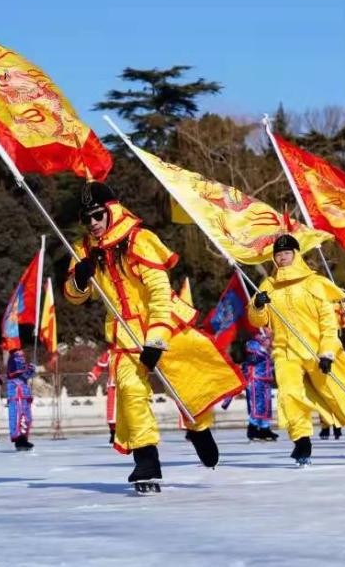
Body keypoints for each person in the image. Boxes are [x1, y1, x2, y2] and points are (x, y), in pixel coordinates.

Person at [65, 182, 245, 490]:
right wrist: (80, 280)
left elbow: (160, 293)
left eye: (97, 215)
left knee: (188, 385)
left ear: (111, 210)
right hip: (123, 334)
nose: (92, 223)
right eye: (87, 218)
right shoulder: (84, 250)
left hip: (162, 324)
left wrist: (156, 340)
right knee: (130, 393)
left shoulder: (139, 240)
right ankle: (146, 461)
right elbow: (75, 297)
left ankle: (199, 430)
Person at [248, 235, 345, 466]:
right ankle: (301, 440)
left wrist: (327, 352)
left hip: (316, 350)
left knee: (337, 392)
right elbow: (258, 321)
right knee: (289, 393)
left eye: (286, 253)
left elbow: (327, 322)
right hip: (285, 352)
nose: (282, 258)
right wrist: (258, 305)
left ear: (296, 254)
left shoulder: (314, 283)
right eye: (278, 254)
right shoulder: (268, 286)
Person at [244, 330, 278, 441]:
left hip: (266, 380)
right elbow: (252, 360)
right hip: (256, 380)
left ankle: (265, 428)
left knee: (266, 405)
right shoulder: (253, 346)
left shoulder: (269, 350)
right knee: (258, 405)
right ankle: (252, 428)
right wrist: (262, 348)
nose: (270, 340)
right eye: (267, 338)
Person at [5, 348, 35, 451]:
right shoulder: (12, 362)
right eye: (19, 354)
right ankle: (20, 441)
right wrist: (29, 370)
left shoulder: (22, 364)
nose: (22, 356)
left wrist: (31, 370)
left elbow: (26, 374)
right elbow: (20, 374)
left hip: (24, 395)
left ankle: (24, 440)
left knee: (27, 418)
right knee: (18, 418)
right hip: (16, 395)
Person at [86, 350, 116, 443]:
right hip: (114, 385)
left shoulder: (133, 348)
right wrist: (93, 375)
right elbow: (99, 367)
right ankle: (114, 433)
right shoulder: (110, 352)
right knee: (112, 411)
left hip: (131, 385)